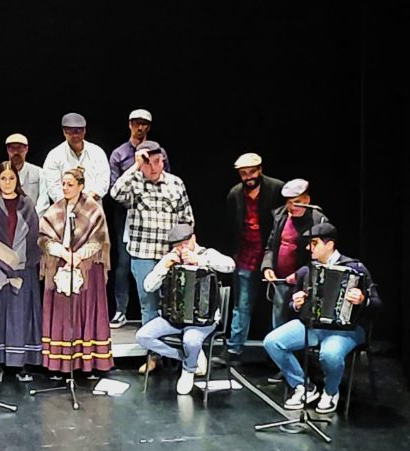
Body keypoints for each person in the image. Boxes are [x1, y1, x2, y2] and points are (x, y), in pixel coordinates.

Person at [263, 222, 381, 414]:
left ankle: (330, 391)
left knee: (330, 354)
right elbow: (292, 305)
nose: (309, 248)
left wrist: (362, 299)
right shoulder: (307, 271)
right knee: (272, 342)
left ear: (330, 245)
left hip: (346, 330)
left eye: (314, 243)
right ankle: (303, 387)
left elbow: (377, 304)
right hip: (312, 325)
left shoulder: (355, 268)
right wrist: (296, 303)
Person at [135, 225, 236, 394]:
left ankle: (188, 370)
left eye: (185, 244)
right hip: (174, 317)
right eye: (177, 246)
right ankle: (187, 358)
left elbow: (231, 265)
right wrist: (163, 268)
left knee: (191, 340)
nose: (182, 249)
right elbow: (148, 286)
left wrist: (200, 261)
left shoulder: (206, 254)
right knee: (143, 336)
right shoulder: (170, 258)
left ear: (193, 239)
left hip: (202, 318)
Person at [110, 141, 194, 331]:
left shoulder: (176, 183)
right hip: (143, 255)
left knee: (175, 303)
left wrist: (185, 249)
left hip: (171, 253)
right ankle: (153, 354)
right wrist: (135, 166)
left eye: (158, 161)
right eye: (149, 163)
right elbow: (115, 193)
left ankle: (172, 351)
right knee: (149, 305)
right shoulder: (135, 184)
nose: (154, 167)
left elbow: (187, 218)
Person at [39, 168, 114, 376]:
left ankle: (87, 364)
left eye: (70, 184)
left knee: (85, 313)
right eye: (63, 184)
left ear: (81, 186)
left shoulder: (93, 209)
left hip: (87, 269)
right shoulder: (55, 210)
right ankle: (58, 365)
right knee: (62, 315)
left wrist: (78, 256)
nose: (65, 188)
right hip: (61, 265)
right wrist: (64, 254)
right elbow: (44, 237)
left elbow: (99, 239)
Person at [0, 161, 43, 382]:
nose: (7, 183)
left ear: (18, 180)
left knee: (20, 314)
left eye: (11, 178)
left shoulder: (26, 204)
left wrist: (16, 259)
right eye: (3, 179)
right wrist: (4, 259)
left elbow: (33, 236)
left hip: (22, 269)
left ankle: (21, 363)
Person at [107, 110, 171, 329]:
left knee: (159, 265)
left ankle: (161, 312)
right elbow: (114, 187)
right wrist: (138, 202)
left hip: (155, 218)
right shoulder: (119, 154)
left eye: (144, 124)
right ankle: (121, 310)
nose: (140, 127)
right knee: (124, 263)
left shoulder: (158, 151)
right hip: (126, 214)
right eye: (136, 123)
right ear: (129, 125)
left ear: (149, 127)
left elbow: (166, 178)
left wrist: (150, 204)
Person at [224, 153, 285, 364]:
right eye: (243, 173)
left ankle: (278, 352)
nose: (248, 177)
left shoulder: (277, 189)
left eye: (251, 172)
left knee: (279, 305)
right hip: (246, 254)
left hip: (273, 256)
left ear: (259, 170)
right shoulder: (235, 194)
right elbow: (232, 227)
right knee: (242, 304)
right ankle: (234, 348)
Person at [262, 179, 330, 333]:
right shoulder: (281, 216)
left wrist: (300, 275)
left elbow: (321, 257)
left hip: (304, 283)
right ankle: (275, 354)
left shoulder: (318, 220)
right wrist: (267, 267)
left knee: (299, 323)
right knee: (278, 321)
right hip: (280, 281)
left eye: (297, 202)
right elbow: (270, 246)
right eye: (289, 202)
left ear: (307, 200)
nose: (292, 207)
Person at [43, 113, 110, 203]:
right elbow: (52, 186)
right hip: (65, 207)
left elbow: (103, 182)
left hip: (93, 205)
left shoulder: (97, 152)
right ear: (64, 131)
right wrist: (71, 201)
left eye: (78, 130)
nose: (75, 134)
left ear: (84, 130)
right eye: (70, 131)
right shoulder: (54, 155)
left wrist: (87, 199)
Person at [0, 134, 50, 216]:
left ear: (26, 149)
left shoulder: (38, 172)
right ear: (8, 150)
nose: (16, 152)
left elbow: (44, 199)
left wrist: (31, 217)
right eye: (12, 148)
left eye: (20, 148)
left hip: (32, 219)